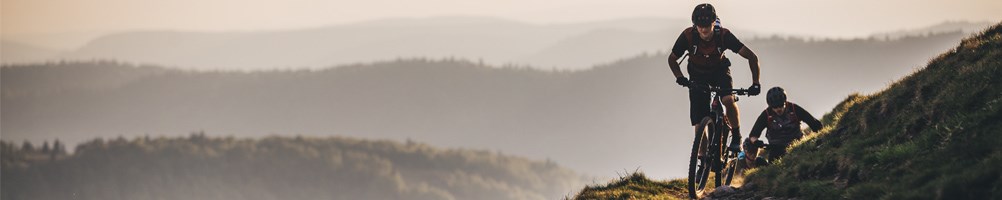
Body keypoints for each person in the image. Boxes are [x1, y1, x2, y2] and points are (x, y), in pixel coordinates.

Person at [669, 3, 761, 154]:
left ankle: (736, 135)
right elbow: (672, 59)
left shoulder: (723, 35)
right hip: (697, 75)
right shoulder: (688, 36)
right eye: (699, 26)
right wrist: (680, 77)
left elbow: (752, 57)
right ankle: (701, 161)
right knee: (699, 124)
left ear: (714, 22)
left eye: (706, 26)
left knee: (727, 100)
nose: (703, 30)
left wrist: (755, 83)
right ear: (695, 25)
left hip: (719, 71)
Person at [744, 87, 823, 166]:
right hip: (776, 149)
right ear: (770, 106)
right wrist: (757, 142)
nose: (778, 109)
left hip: (798, 144)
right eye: (775, 107)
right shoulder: (766, 114)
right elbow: (753, 135)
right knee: (772, 168)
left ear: (785, 102)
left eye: (781, 105)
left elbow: (814, 123)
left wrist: (819, 138)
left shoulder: (794, 109)